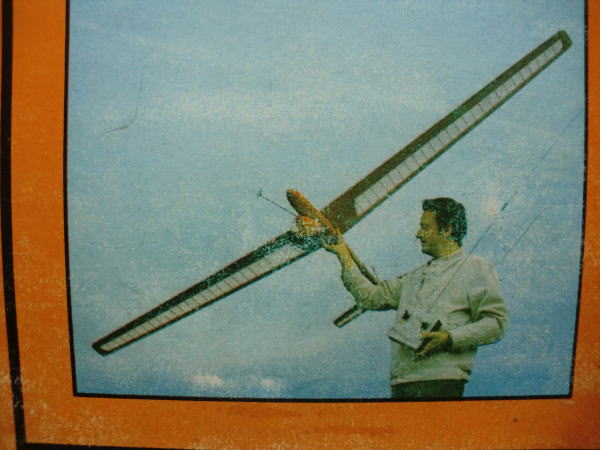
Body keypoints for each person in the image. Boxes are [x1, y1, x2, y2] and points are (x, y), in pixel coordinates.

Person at [325, 197, 508, 399]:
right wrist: (343, 255)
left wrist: (449, 338)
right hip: (401, 384)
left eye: (425, 227)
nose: (418, 234)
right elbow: (370, 298)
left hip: (441, 382)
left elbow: (496, 323)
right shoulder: (414, 277)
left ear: (447, 230)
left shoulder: (476, 268)